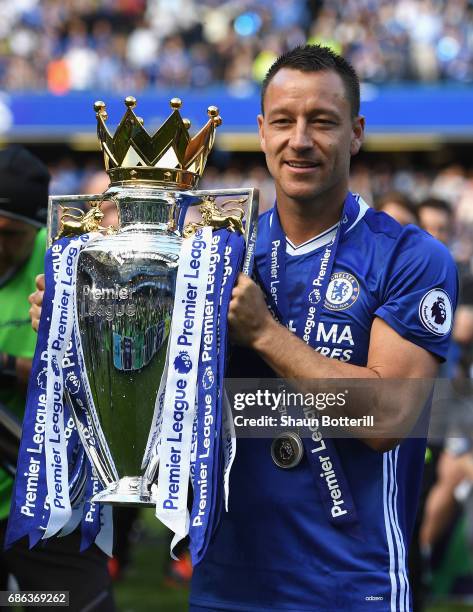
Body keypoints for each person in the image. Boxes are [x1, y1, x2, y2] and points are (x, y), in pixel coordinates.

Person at [29, 46, 458, 611]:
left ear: (356, 132)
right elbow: (155, 403)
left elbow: (385, 418)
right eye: (284, 121)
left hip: (352, 587)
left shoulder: (408, 255)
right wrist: (85, 326)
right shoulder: (210, 253)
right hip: (225, 586)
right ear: (261, 132)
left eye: (322, 122)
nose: (300, 140)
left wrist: (265, 335)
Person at [0, 146, 115, 612]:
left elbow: (92, 379)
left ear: (37, 227)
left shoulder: (67, 265)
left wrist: (6, 366)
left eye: (9, 234)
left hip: (50, 496)